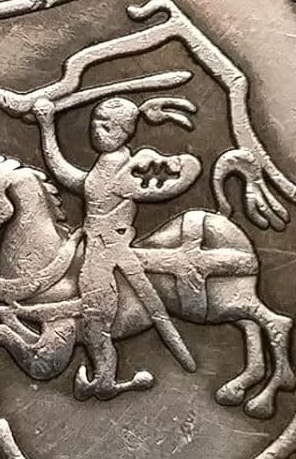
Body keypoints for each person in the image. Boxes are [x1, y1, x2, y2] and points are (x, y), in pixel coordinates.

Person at [33, 93, 200, 397]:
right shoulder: (106, 164)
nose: (98, 131)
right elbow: (67, 175)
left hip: (107, 250)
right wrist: (46, 128)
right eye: (96, 123)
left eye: (108, 127)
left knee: (95, 314)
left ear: (125, 131)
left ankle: (105, 379)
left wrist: (181, 169)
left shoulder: (126, 169)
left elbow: (173, 178)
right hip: (93, 243)